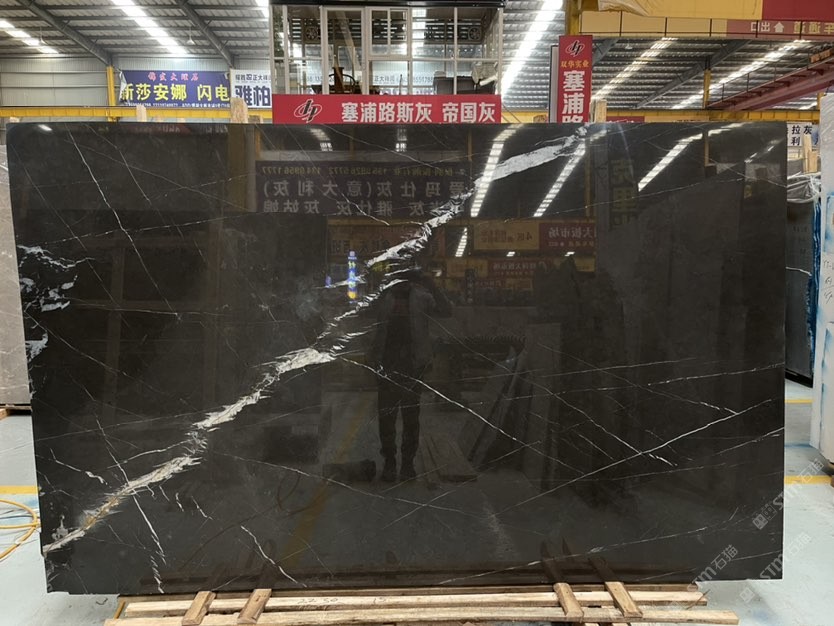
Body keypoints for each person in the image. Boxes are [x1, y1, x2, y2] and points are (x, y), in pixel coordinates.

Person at [368, 268, 452, 482]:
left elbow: (446, 310)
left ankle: (406, 464)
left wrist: (432, 285)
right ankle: (390, 462)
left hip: (412, 365)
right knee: (387, 418)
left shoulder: (422, 298)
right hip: (387, 364)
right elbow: (363, 312)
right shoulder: (385, 298)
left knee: (410, 417)